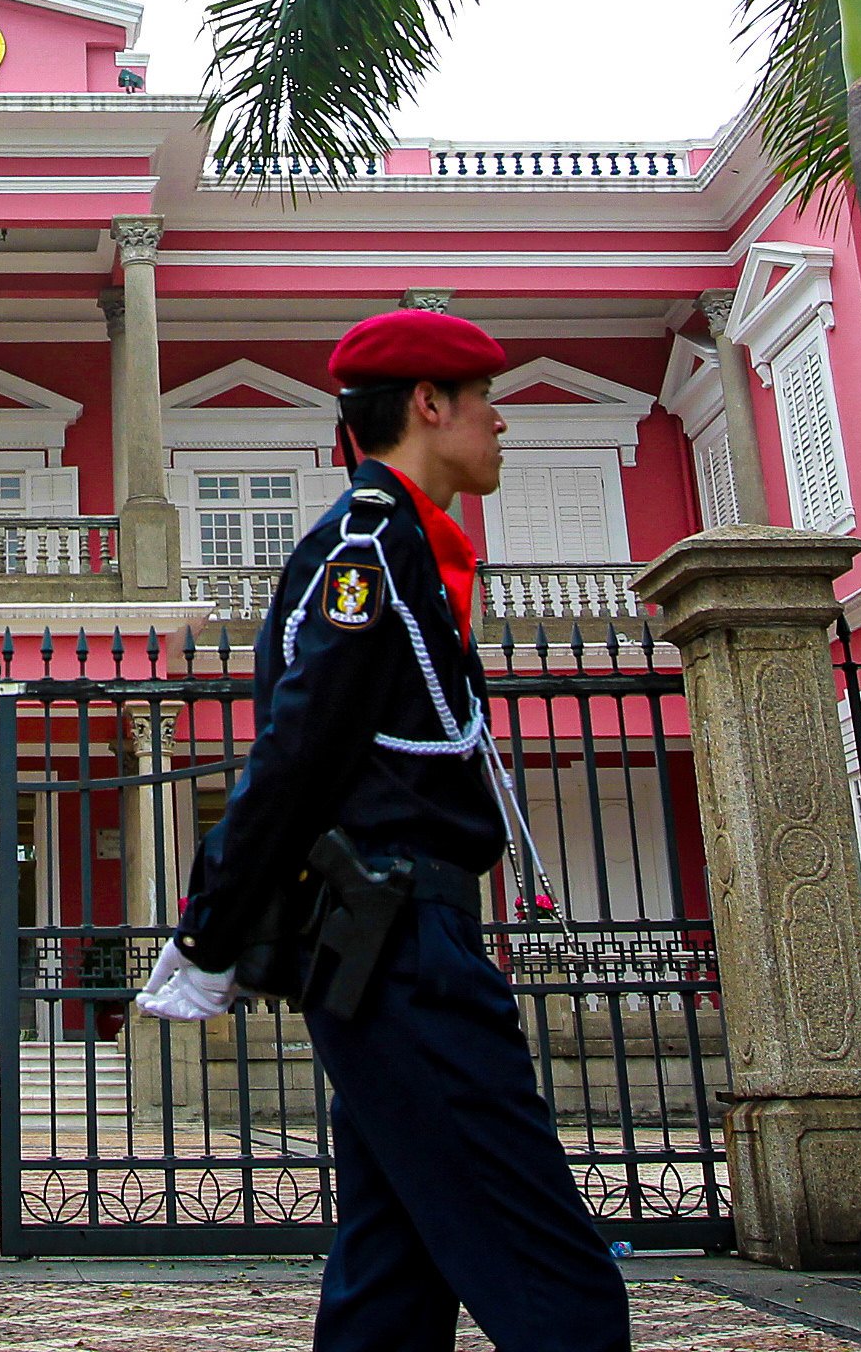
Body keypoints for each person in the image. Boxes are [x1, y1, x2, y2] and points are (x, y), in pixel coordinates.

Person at [138, 308, 629, 1352]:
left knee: (391, 1275)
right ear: (427, 404)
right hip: (401, 945)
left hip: (404, 938)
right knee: (555, 1278)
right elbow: (297, 749)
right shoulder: (367, 546)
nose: (501, 424)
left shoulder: (407, 545)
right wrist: (211, 926)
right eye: (485, 400)